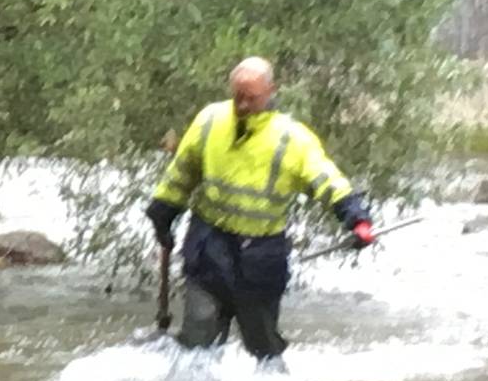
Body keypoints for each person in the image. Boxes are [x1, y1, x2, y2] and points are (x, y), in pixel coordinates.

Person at [144, 57, 376, 363]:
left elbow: (326, 179)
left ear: (271, 92)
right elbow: (183, 172)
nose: (242, 104)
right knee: (197, 338)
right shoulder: (211, 120)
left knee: (263, 347)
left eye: (251, 98)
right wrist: (164, 210)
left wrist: (356, 218)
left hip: (260, 257)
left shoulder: (292, 137)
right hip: (208, 246)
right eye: (237, 95)